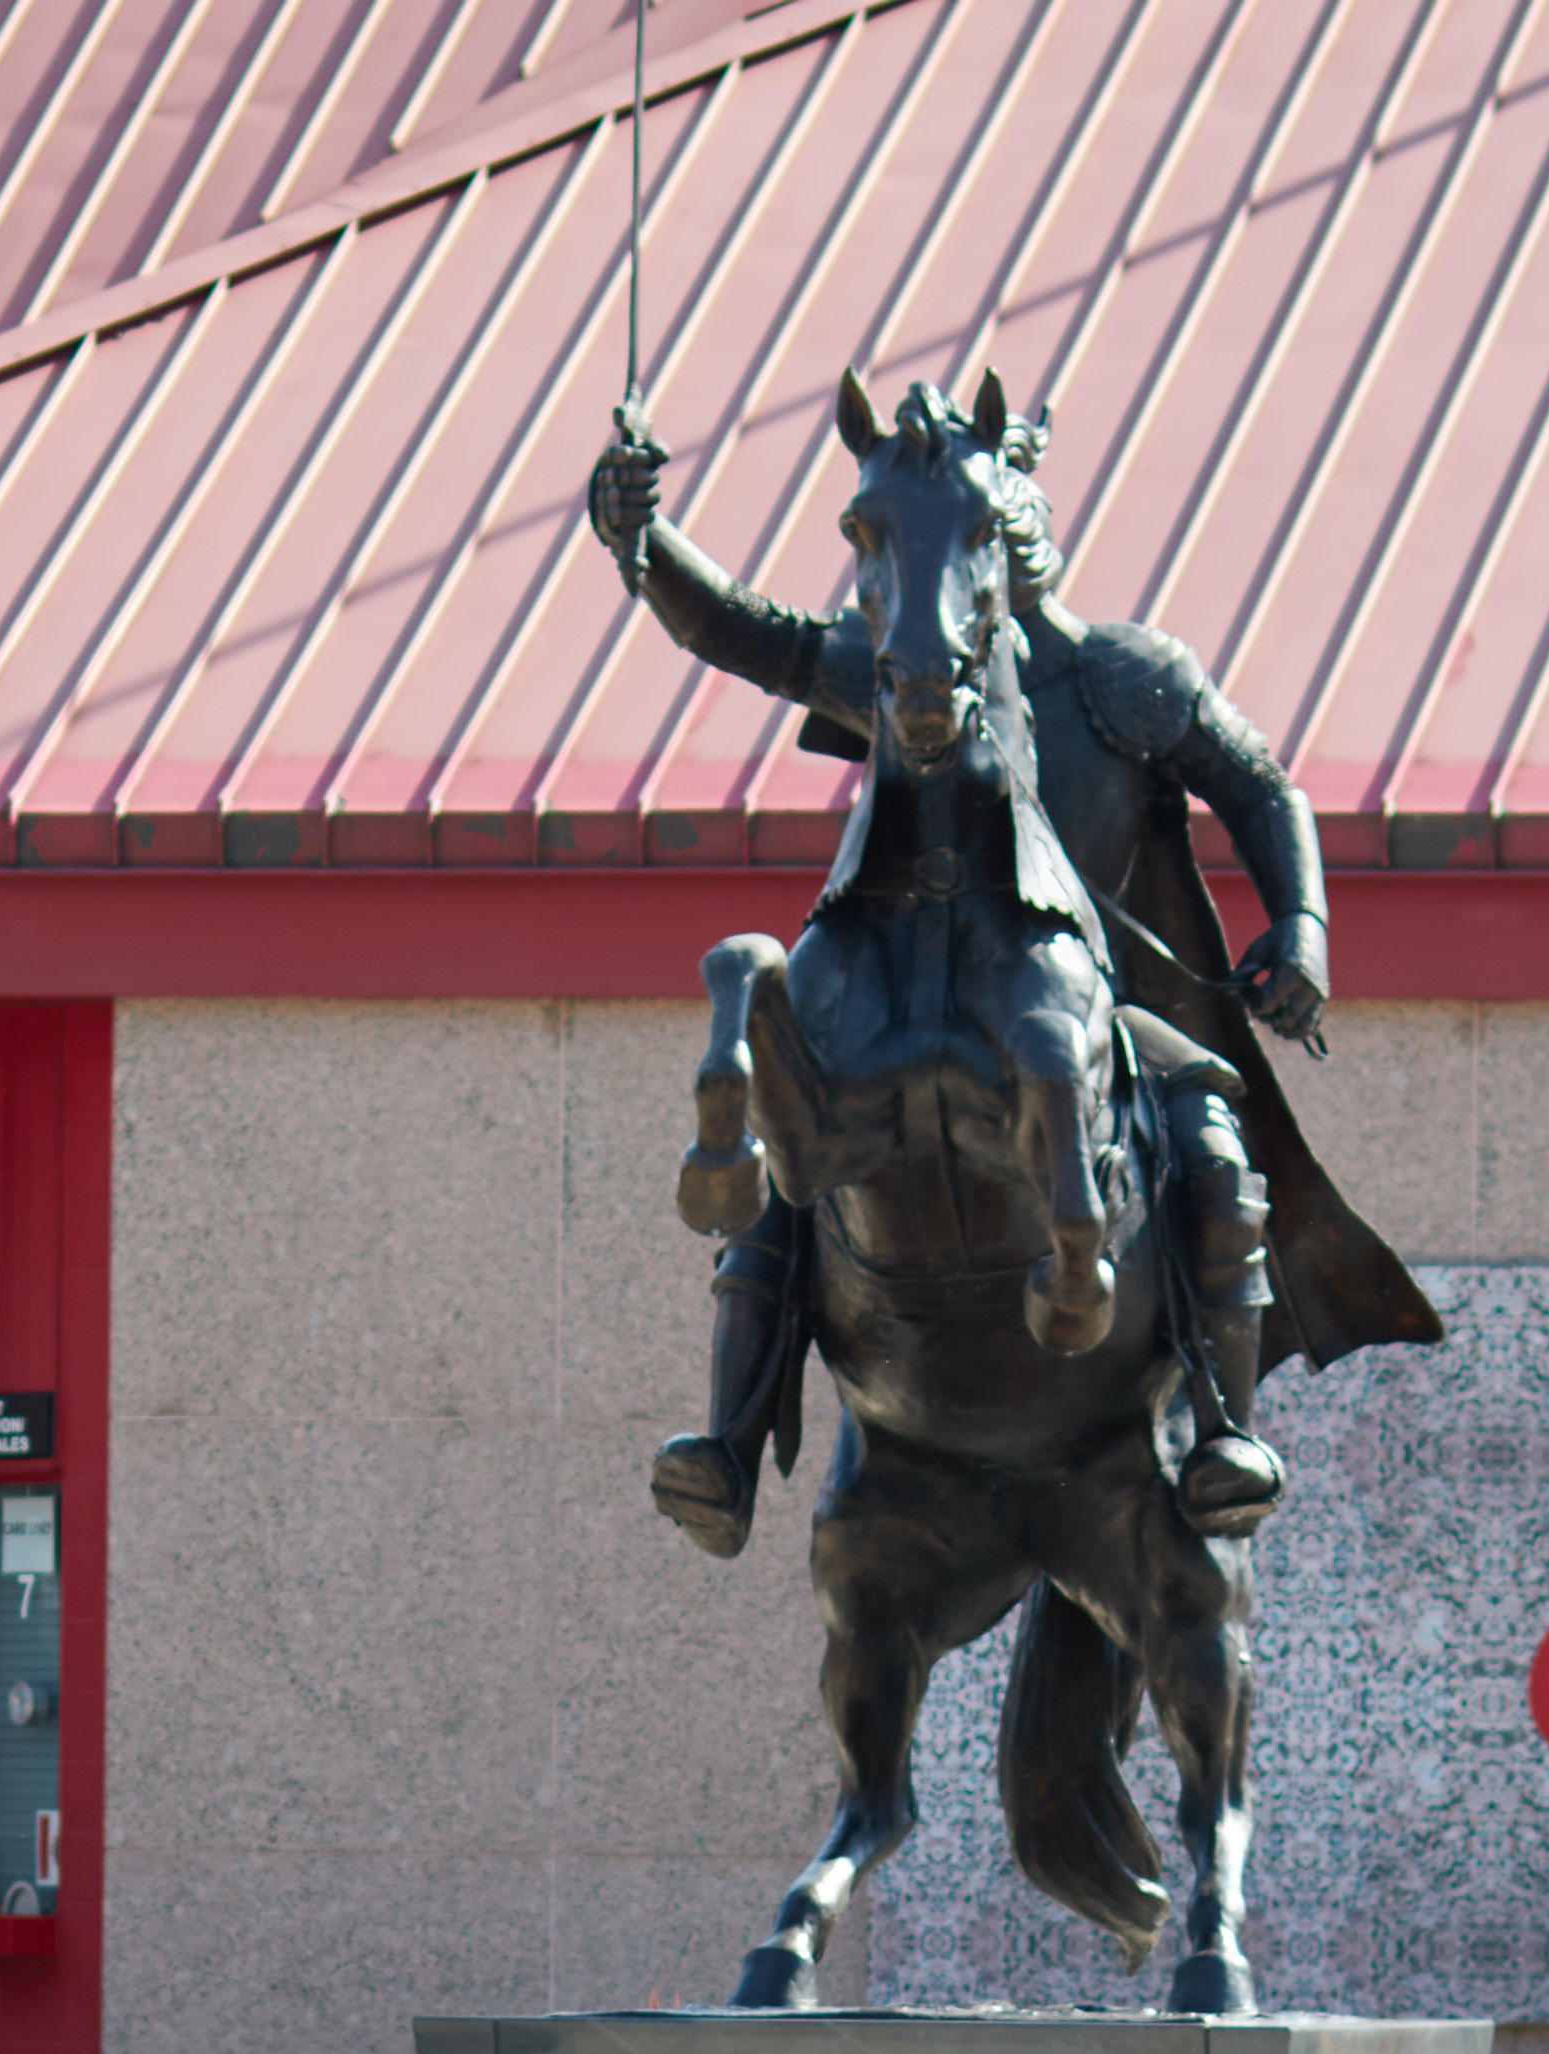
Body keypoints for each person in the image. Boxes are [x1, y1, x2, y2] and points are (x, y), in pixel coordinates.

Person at [588, 397, 1437, 1552]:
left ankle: (1225, 1429)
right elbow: (743, 632)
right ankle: (730, 1443)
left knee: (1209, 1138)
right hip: (922, 994)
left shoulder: (1121, 676)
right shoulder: (904, 676)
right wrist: (642, 540)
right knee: (797, 1173)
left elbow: (1261, 787)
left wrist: (1301, 928)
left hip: (1110, 1009)